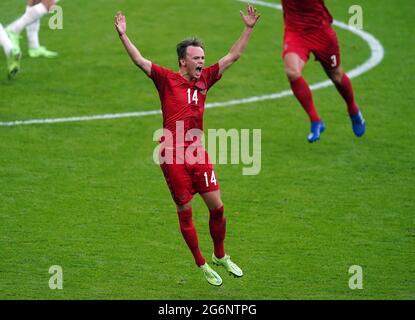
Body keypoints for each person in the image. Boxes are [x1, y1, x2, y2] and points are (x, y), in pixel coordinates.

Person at [115, 4, 260, 286]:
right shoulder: (166, 80)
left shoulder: (206, 79)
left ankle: (220, 255)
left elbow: (233, 56)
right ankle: (201, 263)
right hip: (172, 155)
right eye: (196, 58)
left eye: (203, 58)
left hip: (197, 152)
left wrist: (248, 28)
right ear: (183, 61)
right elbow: (140, 61)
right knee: (185, 210)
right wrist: (123, 35)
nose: (202, 62)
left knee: (217, 208)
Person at [281, 0, 366, 142]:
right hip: (295, 33)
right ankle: (316, 120)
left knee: (336, 76)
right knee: (292, 71)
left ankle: (353, 109)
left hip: (321, 32)